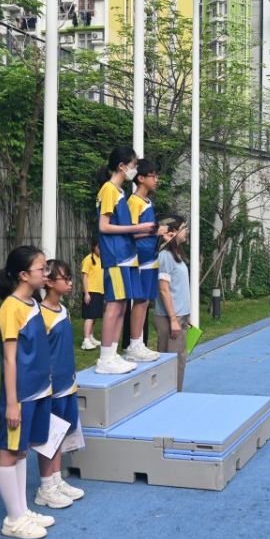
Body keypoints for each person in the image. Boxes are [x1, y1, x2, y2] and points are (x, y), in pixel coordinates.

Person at [0, 246, 55, 539]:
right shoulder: (11, 308)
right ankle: (13, 518)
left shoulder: (33, 303)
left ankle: (21, 509)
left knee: (22, 450)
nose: (46, 273)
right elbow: (9, 359)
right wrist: (12, 403)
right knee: (9, 451)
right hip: (20, 394)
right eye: (41, 269)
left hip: (38, 390)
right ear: (23, 275)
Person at [95, 147, 154, 374]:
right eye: (133, 165)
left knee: (121, 305)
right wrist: (138, 227)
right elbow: (104, 226)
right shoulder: (109, 189)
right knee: (114, 305)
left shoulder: (118, 191)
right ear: (122, 166)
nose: (135, 169)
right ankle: (105, 358)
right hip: (116, 255)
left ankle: (112, 354)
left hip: (127, 256)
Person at [36, 260, 86, 509]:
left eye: (70, 278)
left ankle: (56, 480)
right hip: (52, 387)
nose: (70, 283)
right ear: (48, 282)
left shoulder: (64, 310)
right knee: (48, 437)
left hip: (68, 383)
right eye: (64, 278)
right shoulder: (40, 315)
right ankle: (45, 486)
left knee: (60, 434)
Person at [126, 159, 162, 363]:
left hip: (150, 257)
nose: (156, 179)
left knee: (145, 301)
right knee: (139, 300)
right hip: (140, 258)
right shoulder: (134, 202)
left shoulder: (147, 202)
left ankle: (139, 343)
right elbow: (130, 232)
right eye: (153, 175)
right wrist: (155, 231)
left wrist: (160, 234)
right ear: (141, 178)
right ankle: (134, 344)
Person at [155, 216, 193, 389]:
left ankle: (176, 394)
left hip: (180, 315)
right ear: (173, 231)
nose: (187, 231)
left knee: (180, 360)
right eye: (184, 227)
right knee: (171, 363)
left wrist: (186, 314)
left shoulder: (177, 254)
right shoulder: (165, 256)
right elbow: (164, 289)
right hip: (171, 317)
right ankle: (169, 396)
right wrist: (173, 320)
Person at [78, 241, 104, 351]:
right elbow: (84, 277)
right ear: (94, 247)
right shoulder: (88, 259)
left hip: (99, 291)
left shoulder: (102, 259)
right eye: (99, 247)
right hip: (91, 291)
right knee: (89, 316)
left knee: (94, 316)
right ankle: (86, 340)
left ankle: (91, 337)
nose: (101, 250)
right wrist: (86, 293)